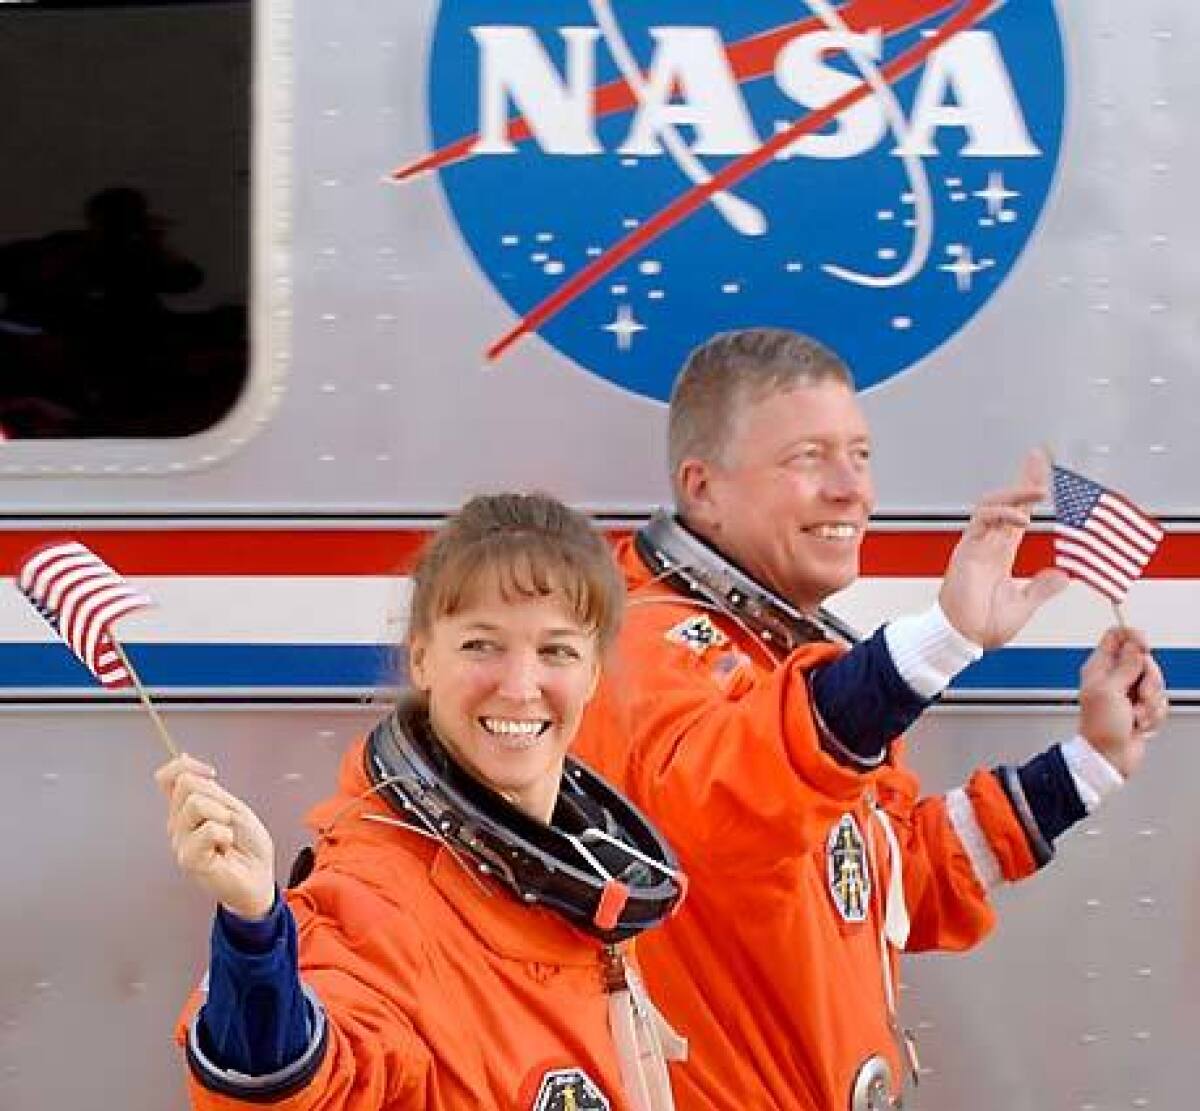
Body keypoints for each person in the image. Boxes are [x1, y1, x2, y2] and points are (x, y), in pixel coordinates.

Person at [573, 329, 1169, 1111]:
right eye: (807, 458)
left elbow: (886, 885)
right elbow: (736, 801)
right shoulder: (633, 647)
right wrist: (943, 638)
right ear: (703, 486)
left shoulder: (795, 655)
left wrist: (1089, 763)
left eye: (859, 454)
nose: (852, 488)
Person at [158, 493, 689, 1110]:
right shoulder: (379, 896)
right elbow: (322, 1083)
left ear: (593, 673)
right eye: (481, 645)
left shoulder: (582, 888)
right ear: (422, 658)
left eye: (556, 651)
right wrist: (255, 935)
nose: (520, 688)